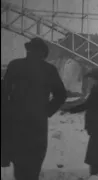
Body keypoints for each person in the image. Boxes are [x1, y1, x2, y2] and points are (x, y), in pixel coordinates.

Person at [1, 37, 67, 180]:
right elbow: (61, 94)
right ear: (43, 53)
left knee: (19, 163)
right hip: (37, 122)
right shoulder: (49, 69)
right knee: (34, 161)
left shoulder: (15, 65)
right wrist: (47, 111)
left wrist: (8, 111)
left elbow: (4, 93)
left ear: (28, 50)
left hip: (16, 122)